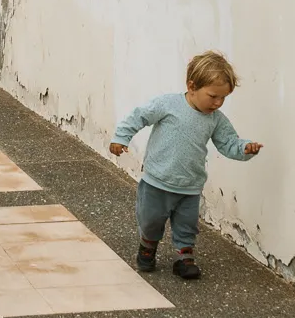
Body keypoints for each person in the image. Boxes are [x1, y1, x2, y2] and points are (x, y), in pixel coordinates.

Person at [108, 51, 262, 280]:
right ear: (192, 86)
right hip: (157, 181)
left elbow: (228, 142)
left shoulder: (216, 119)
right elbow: (139, 116)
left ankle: (185, 257)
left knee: (187, 226)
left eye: (223, 98)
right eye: (213, 96)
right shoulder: (168, 104)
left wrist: (245, 148)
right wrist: (121, 137)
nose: (218, 103)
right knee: (150, 221)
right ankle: (147, 247)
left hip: (190, 186)